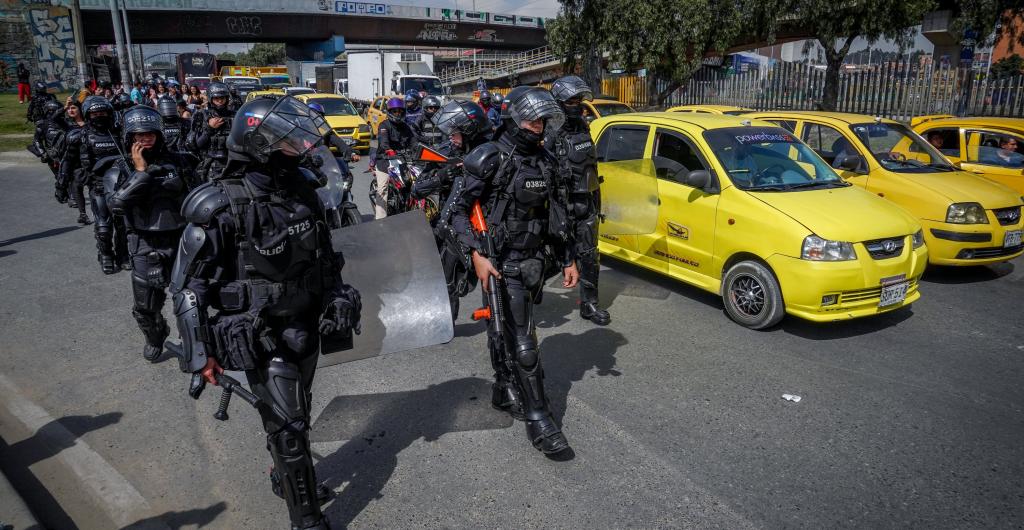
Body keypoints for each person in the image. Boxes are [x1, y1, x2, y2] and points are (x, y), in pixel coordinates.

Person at [170, 96, 361, 529]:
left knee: (298, 413)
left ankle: (282, 469)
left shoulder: (303, 189)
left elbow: (325, 256)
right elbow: (188, 287)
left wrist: (339, 295)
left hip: (306, 325)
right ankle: (306, 518)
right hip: (262, 331)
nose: (299, 148)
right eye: (288, 142)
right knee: (291, 429)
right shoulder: (218, 203)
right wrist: (200, 355)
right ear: (260, 144)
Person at [451, 86, 578, 456]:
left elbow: (558, 213)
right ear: (512, 116)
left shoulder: (545, 160)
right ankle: (541, 421)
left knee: (505, 330)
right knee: (525, 345)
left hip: (536, 263)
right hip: (501, 264)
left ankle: (504, 388)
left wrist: (568, 257)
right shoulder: (489, 158)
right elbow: (456, 214)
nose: (538, 126)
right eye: (531, 119)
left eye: (542, 119)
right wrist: (476, 254)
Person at [108, 106, 195, 362]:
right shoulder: (121, 167)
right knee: (146, 306)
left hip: (181, 237)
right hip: (145, 242)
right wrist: (140, 174)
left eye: (150, 134)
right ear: (130, 137)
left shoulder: (180, 161)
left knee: (190, 299)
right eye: (139, 135)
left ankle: (194, 344)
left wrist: (180, 187)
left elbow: (202, 196)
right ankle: (155, 337)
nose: (145, 138)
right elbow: (115, 205)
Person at [411, 100, 491, 318]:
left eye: (455, 132)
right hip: (450, 227)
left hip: (487, 228)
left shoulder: (492, 152)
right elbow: (417, 189)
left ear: (469, 131)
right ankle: (447, 320)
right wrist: (441, 177)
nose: (451, 137)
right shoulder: (446, 151)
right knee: (447, 281)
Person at [547, 76, 610, 325]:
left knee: (589, 254)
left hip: (586, 202)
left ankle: (589, 304)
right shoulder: (550, 130)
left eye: (579, 100)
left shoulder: (583, 127)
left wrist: (597, 201)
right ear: (560, 102)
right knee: (551, 255)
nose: (578, 105)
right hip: (562, 204)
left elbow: (590, 166)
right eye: (572, 100)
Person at [61, 96, 125, 273]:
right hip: (97, 184)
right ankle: (106, 255)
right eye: (95, 113)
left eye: (103, 112)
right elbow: (67, 160)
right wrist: (61, 183)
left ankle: (123, 253)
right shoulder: (80, 135)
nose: (99, 116)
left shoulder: (119, 133)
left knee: (123, 223)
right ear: (89, 115)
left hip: (121, 185)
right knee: (103, 226)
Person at [373, 97, 415, 219]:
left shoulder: (406, 126)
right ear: (390, 112)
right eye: (395, 111)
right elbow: (384, 142)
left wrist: (420, 151)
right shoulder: (384, 125)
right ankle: (380, 219)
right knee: (383, 188)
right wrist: (389, 151)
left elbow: (414, 142)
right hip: (385, 160)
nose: (398, 114)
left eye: (400, 111)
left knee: (413, 183)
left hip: (402, 160)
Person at [186, 82, 235, 182]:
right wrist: (210, 128)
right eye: (216, 99)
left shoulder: (235, 115)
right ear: (210, 99)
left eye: (222, 98)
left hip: (233, 161)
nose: (220, 101)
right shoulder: (202, 115)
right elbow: (197, 144)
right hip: (212, 163)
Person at [62, 100, 91, 223]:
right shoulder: (67, 124)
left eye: (73, 108)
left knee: (94, 188)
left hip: (90, 160)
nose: (70, 110)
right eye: (69, 109)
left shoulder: (89, 124)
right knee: (76, 186)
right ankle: (83, 213)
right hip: (74, 160)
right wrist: (64, 107)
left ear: (80, 109)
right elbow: (52, 119)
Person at [33, 99, 67, 184]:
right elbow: (37, 140)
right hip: (52, 157)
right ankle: (62, 194)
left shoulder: (67, 123)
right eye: (57, 111)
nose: (60, 113)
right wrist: (43, 154)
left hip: (67, 155)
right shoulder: (43, 124)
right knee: (60, 178)